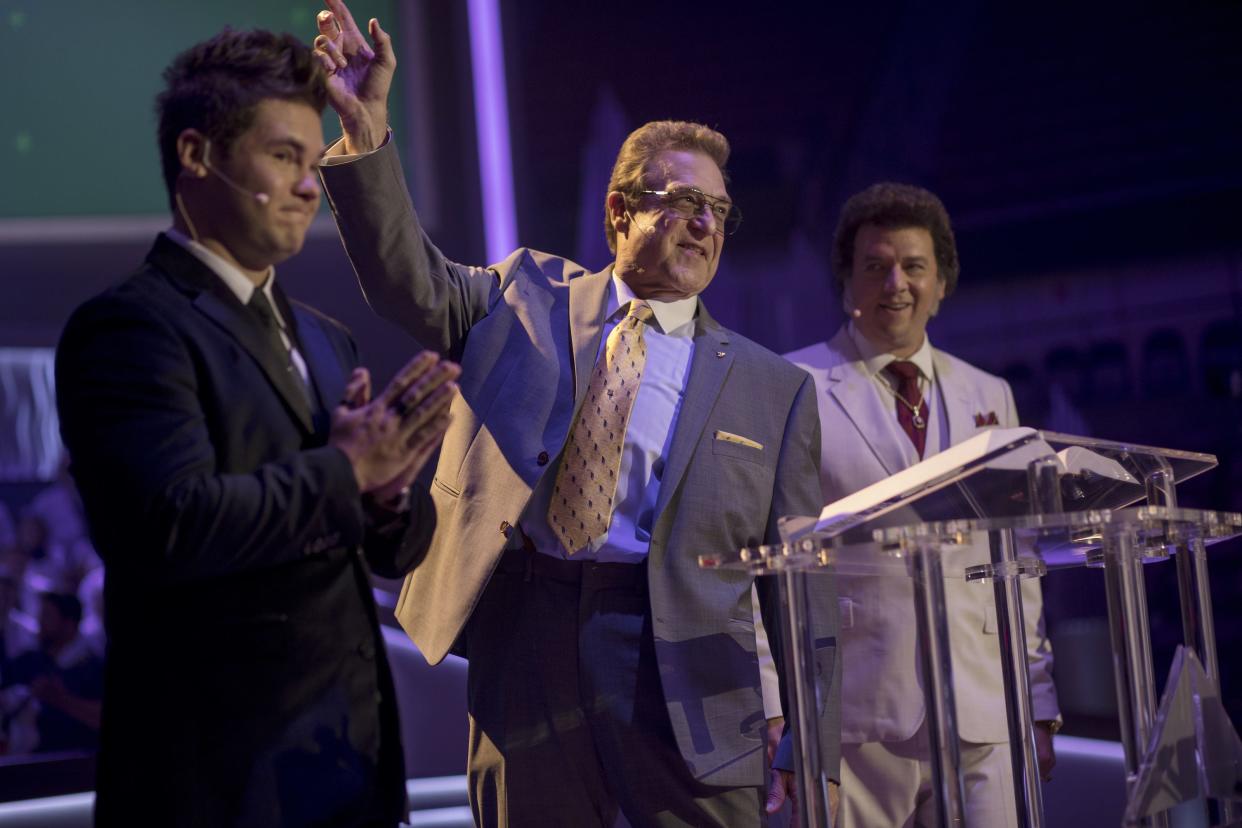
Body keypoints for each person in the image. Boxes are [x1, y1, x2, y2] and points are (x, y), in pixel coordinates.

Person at [311, 2, 841, 825]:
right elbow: (402, 275)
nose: (705, 223)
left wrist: (812, 741)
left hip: (688, 671)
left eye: (718, 211)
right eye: (680, 200)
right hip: (531, 633)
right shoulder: (522, 296)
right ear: (619, 212)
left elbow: (802, 584)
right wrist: (368, 126)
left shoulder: (775, 390)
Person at [55, 28, 459, 826]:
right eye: (285, 158)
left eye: (314, 165)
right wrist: (348, 472)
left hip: (347, 769)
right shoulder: (129, 330)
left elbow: (390, 553)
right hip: (219, 784)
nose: (310, 188)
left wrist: (386, 499)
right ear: (197, 155)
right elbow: (167, 527)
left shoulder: (324, 335)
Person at [784, 183, 1060, 827]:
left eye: (913, 266)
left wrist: (1038, 699)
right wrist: (786, 711)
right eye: (875, 266)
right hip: (857, 712)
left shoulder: (990, 394)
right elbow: (780, 554)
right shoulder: (794, 385)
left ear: (942, 282)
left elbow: (1019, 562)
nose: (895, 284)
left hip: (984, 703)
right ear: (847, 282)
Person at [2, 592, 103, 754]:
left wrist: (62, 700)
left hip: (73, 763)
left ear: (69, 624)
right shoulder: (28, 661)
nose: (41, 623)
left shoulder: (93, 668)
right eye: (40, 616)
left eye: (48, 616)